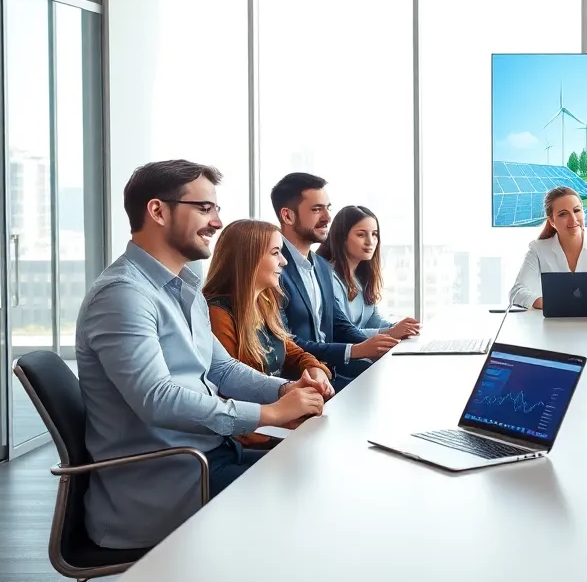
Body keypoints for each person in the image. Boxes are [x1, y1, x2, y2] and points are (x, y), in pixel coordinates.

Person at [76, 160, 331, 550]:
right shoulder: (123, 295)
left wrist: (286, 390)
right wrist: (269, 415)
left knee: (322, 475)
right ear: (158, 211)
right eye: (204, 208)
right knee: (316, 507)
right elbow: (156, 400)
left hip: (206, 459)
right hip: (168, 486)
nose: (216, 222)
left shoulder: (184, 287)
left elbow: (221, 368)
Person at [203, 219, 337, 449]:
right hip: (251, 435)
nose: (283, 261)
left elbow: (293, 351)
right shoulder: (217, 313)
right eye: (276, 253)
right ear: (249, 259)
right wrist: (283, 422)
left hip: (276, 424)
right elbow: (226, 390)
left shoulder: (265, 302)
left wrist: (317, 372)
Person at [271, 173, 396, 392]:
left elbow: (339, 325)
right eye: (317, 209)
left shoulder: (320, 265)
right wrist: (354, 351)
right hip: (299, 383)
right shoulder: (273, 267)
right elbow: (285, 342)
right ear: (288, 216)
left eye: (328, 208)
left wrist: (379, 347)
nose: (328, 217)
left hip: (331, 374)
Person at [318, 205, 421, 338]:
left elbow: (373, 320)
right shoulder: (328, 278)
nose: (370, 241)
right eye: (361, 234)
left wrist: (399, 327)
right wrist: (390, 332)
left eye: (374, 234)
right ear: (342, 238)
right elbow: (343, 333)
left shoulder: (360, 277)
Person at [510, 186, 587, 309]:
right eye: (563, 214)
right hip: (553, 325)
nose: (573, 219)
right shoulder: (538, 250)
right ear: (552, 221)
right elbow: (517, 292)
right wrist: (550, 303)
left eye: (577, 210)